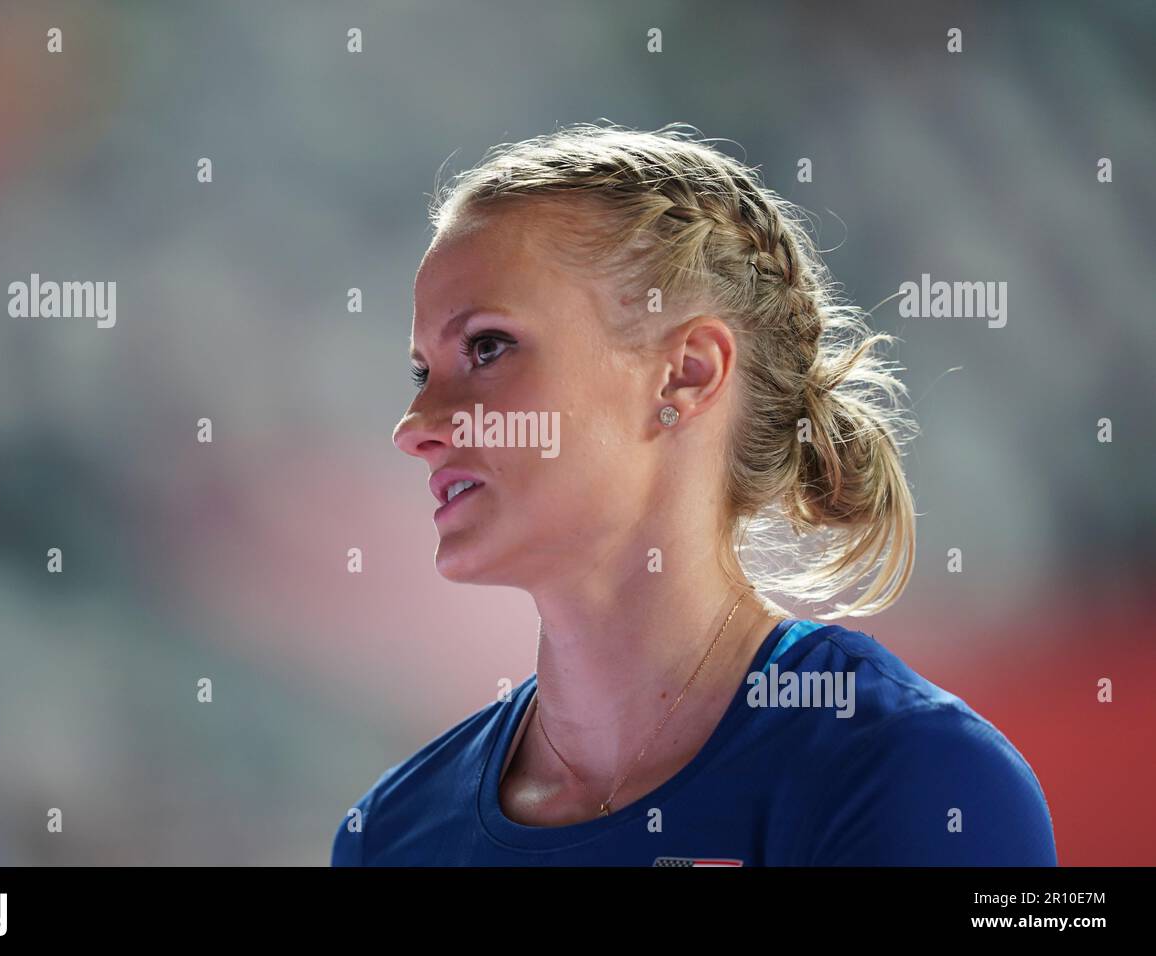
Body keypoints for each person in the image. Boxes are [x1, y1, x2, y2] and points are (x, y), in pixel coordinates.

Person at [332, 123, 1056, 866]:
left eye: (486, 347)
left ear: (687, 374)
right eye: (424, 372)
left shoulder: (912, 779)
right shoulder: (390, 835)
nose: (415, 426)